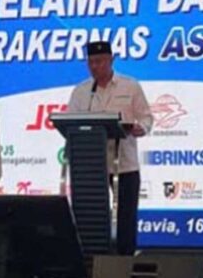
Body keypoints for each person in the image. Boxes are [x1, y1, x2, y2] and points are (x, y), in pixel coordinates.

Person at [67, 41, 153, 255]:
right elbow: (69, 123)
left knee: (126, 218)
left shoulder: (130, 86)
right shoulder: (81, 91)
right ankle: (93, 259)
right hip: (91, 166)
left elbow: (146, 118)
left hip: (124, 164)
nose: (94, 66)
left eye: (99, 61)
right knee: (91, 217)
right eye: (90, 62)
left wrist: (140, 128)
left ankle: (124, 262)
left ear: (111, 60)